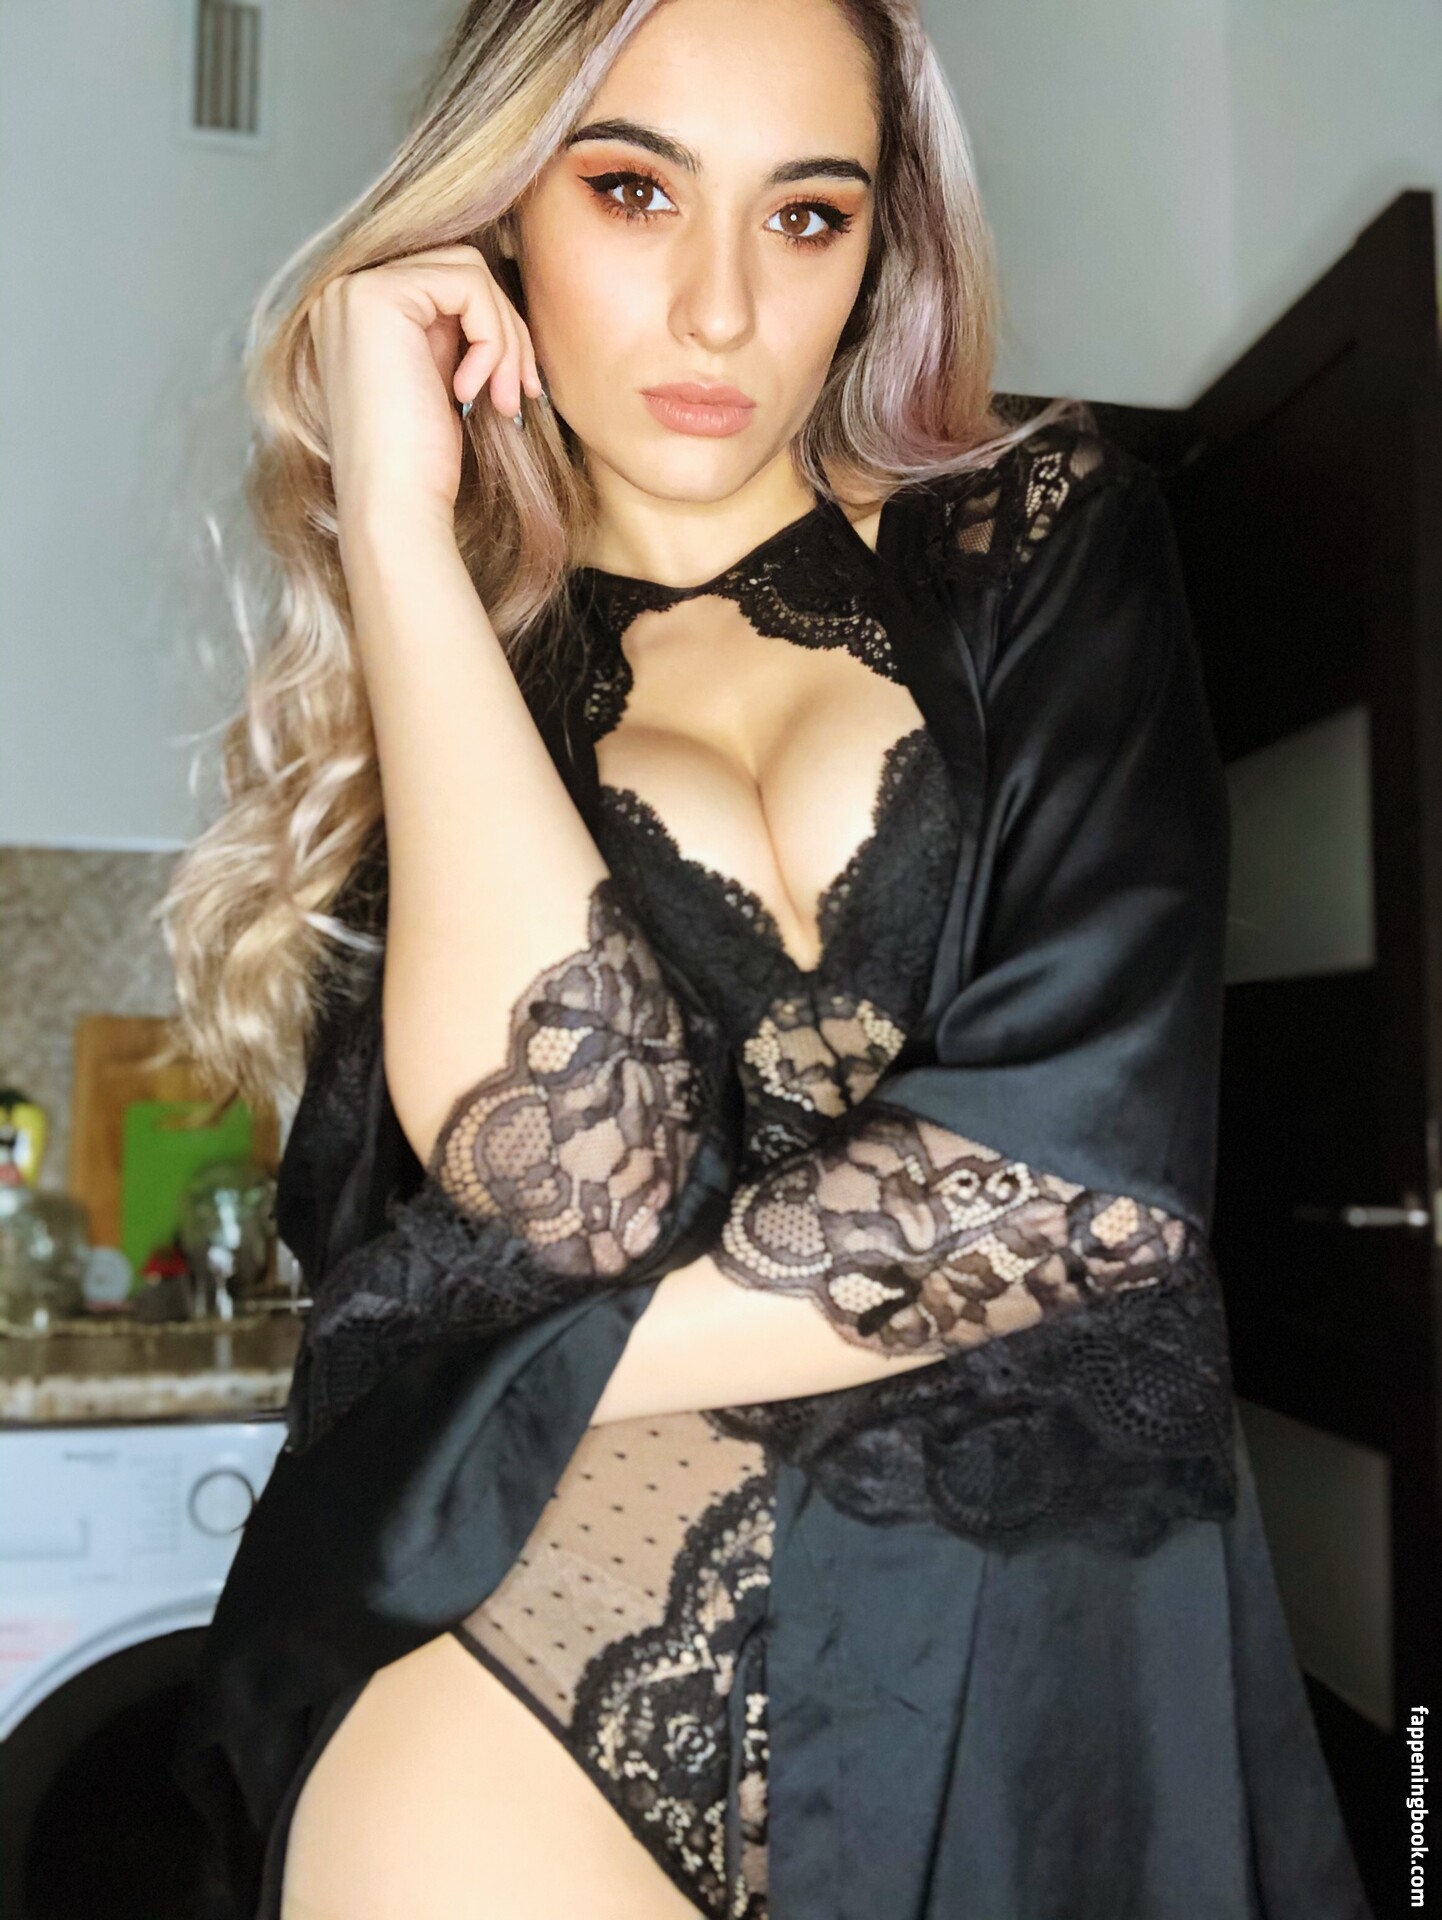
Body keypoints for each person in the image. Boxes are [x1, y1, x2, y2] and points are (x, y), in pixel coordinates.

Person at [164, 0, 1376, 1915]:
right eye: (633, 192)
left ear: (878, 250)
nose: (720, 311)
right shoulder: (456, 700)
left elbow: (1089, 1182)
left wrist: (466, 1383)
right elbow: (574, 1192)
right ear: (499, 214)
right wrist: (398, 530)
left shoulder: (1042, 543)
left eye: (804, 216)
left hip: (1058, 1665)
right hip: (545, 1687)